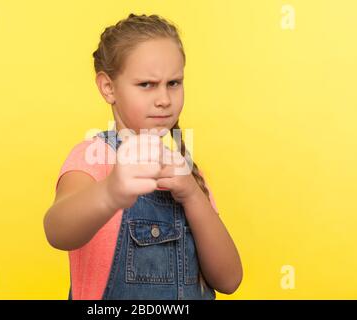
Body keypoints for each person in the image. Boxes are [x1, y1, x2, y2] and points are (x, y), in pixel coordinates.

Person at [43, 13, 242, 300]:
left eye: (173, 83)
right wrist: (110, 192)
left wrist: (192, 195)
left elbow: (230, 280)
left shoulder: (186, 174)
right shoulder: (94, 157)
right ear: (108, 88)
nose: (164, 99)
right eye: (147, 84)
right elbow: (57, 231)